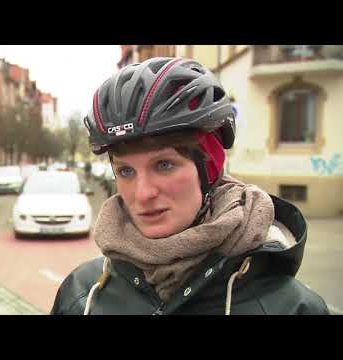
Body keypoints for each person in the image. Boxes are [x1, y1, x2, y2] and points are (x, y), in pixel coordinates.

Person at [50, 57, 329, 315]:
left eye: (164, 165)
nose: (143, 194)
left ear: (209, 167)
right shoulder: (82, 296)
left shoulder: (292, 308)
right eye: (125, 170)